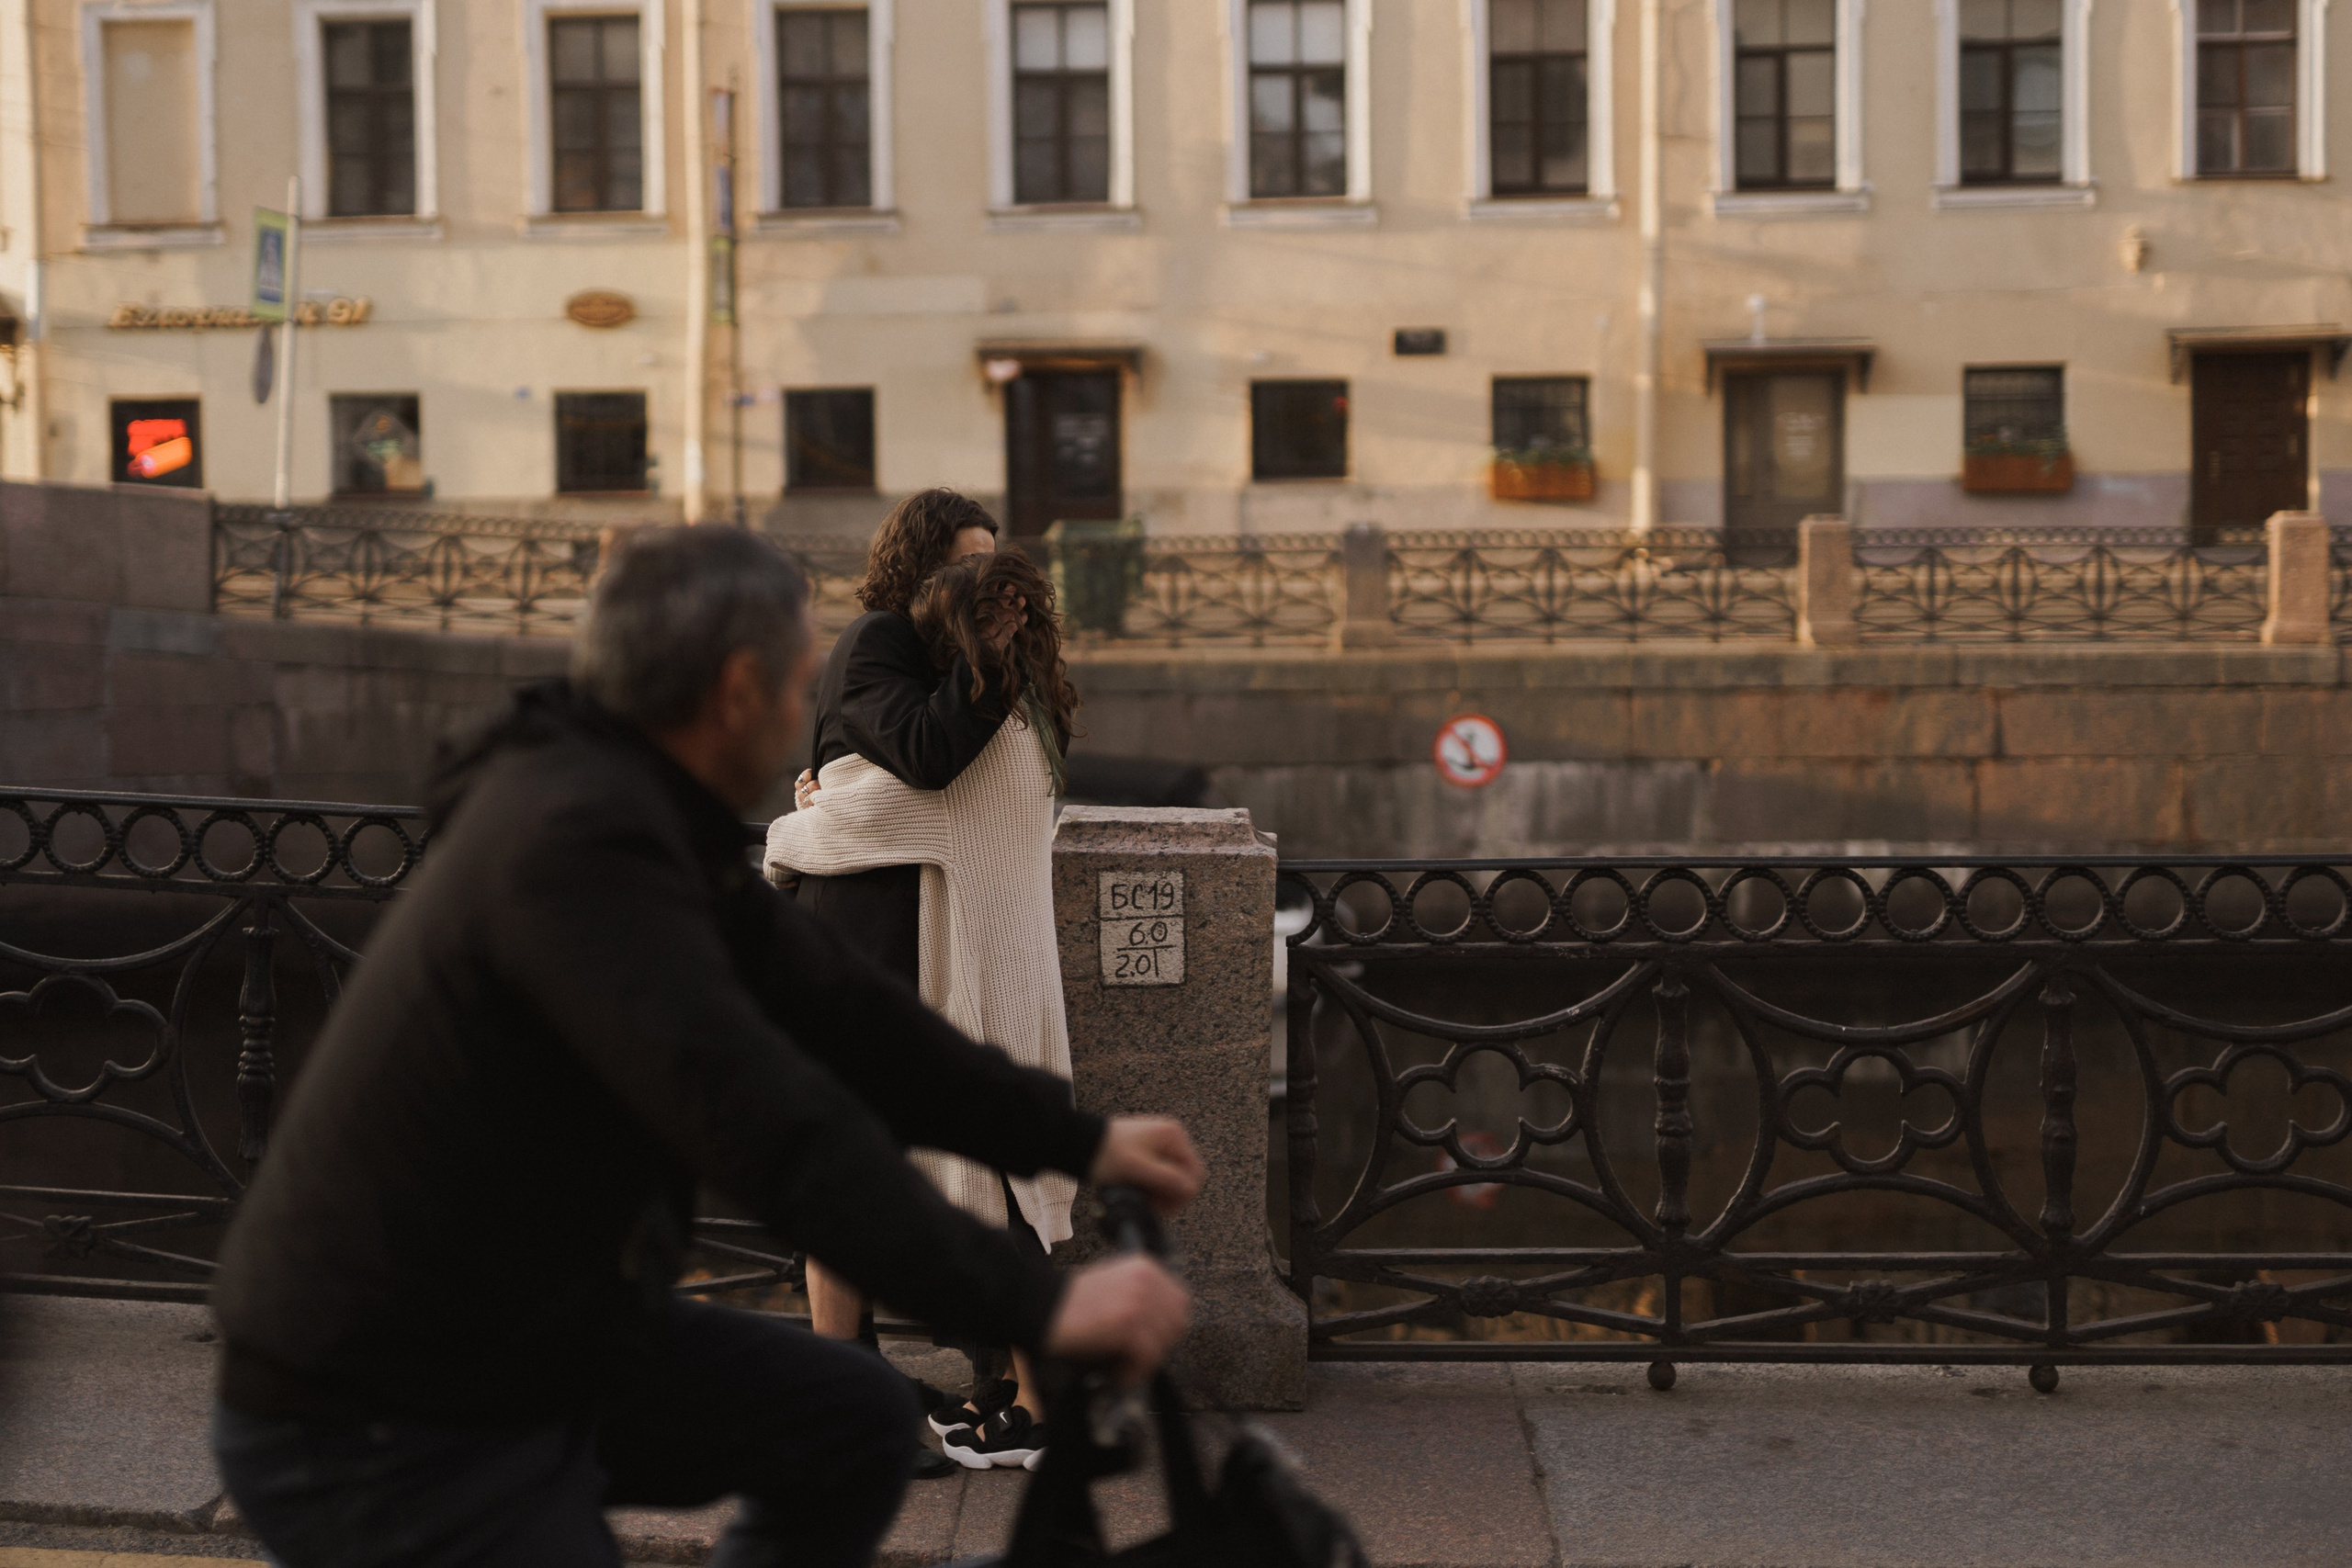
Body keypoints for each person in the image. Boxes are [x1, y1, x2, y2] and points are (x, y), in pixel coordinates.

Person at [206, 525, 1203, 1568]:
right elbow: (772, 1126)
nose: (804, 722)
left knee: (847, 1414)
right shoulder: (572, 848)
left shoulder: (637, 812)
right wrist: (1043, 1303)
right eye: (796, 686)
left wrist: (1078, 1142)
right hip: (375, 1391)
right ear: (736, 690)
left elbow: (852, 1017)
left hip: (529, 1333)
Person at [767, 550, 1078, 1470]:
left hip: (969, 987)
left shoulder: (964, 750)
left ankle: (1021, 1405)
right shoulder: (1032, 721)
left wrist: (795, 819)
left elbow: (846, 828)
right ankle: (1031, 1402)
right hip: (1019, 979)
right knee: (1010, 1198)